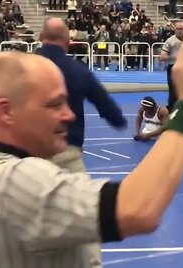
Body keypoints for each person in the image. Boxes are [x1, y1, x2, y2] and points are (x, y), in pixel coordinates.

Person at [0, 21, 183, 268]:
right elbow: (138, 207)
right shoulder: (17, 183)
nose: (69, 115)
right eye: (53, 104)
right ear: (6, 112)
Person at [38, 18, 127, 173]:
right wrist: (118, 120)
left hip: (27, 155)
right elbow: (107, 107)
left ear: (40, 37)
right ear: (67, 42)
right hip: (66, 151)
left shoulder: (20, 67)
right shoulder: (78, 71)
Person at [160, 20, 183, 113]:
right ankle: (171, 110)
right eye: (177, 29)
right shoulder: (170, 41)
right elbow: (162, 56)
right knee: (174, 90)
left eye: (181, 29)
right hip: (173, 68)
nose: (179, 31)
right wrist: (174, 57)